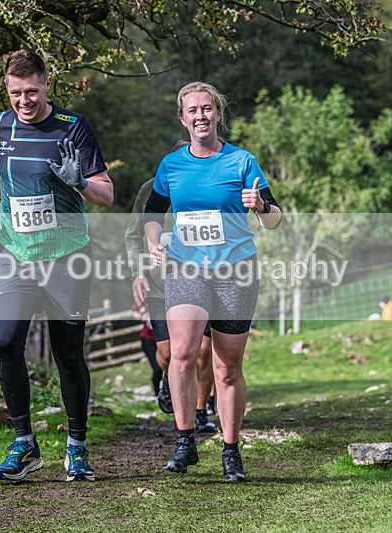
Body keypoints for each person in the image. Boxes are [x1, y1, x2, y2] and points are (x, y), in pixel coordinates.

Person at [0, 50, 113, 482]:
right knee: (7, 342)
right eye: (15, 92)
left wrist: (79, 181)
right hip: (15, 253)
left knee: (68, 354)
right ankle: (24, 443)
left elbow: (107, 194)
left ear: (47, 85)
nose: (24, 101)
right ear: (6, 89)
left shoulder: (73, 127)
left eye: (31, 91)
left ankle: (77, 446)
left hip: (67, 255)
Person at [143, 81, 282, 482]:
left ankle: (231, 450)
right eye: (193, 111)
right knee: (183, 353)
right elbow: (152, 214)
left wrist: (261, 206)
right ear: (183, 118)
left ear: (218, 114)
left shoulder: (241, 162)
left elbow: (274, 219)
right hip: (186, 269)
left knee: (226, 367)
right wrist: (155, 243)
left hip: (236, 271)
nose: (200, 116)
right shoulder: (171, 165)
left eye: (207, 109)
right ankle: (185, 440)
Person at [125, 145, 217, 434]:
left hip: (201, 279)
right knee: (166, 353)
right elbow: (133, 234)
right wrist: (137, 272)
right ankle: (171, 378)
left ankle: (200, 410)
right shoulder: (150, 190)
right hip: (159, 285)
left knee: (202, 350)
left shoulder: (210, 188)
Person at [131, 302, 162, 396]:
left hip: (162, 338)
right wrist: (141, 317)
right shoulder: (144, 297)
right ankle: (157, 394)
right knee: (157, 368)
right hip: (148, 340)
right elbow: (133, 311)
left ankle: (168, 392)